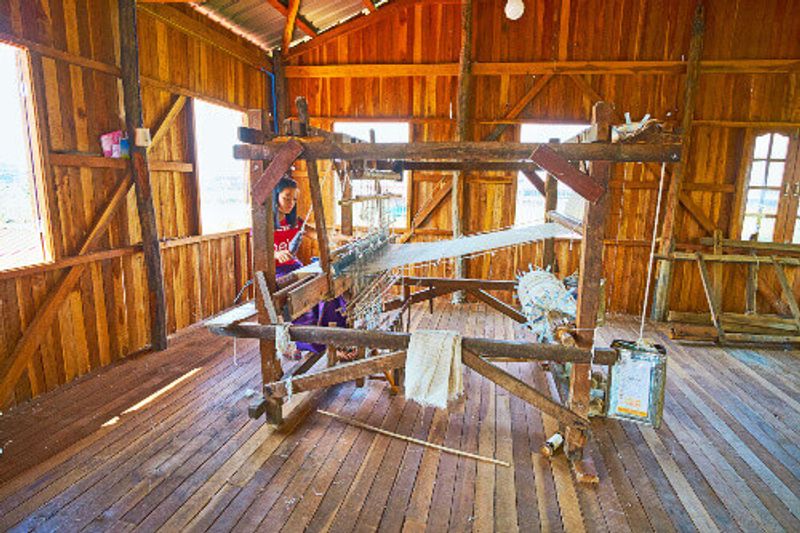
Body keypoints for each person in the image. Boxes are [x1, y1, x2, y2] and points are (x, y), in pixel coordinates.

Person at [272, 176, 349, 359]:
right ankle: (310, 342)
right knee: (304, 299)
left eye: (294, 199)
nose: (291, 203)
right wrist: (275, 255)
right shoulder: (264, 223)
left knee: (328, 291)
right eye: (286, 197)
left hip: (294, 268)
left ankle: (336, 340)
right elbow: (257, 251)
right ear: (275, 197)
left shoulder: (294, 222)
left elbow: (318, 236)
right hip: (276, 273)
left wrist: (345, 239)